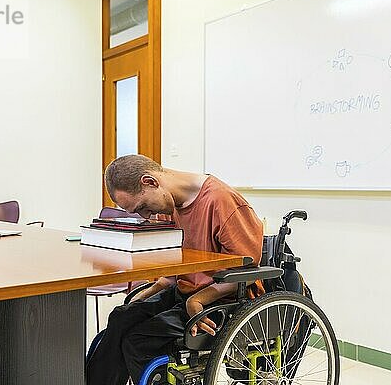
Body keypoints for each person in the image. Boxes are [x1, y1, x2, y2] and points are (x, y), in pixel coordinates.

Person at [86, 154, 263, 385]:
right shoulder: (166, 207)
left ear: (150, 182)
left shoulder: (221, 201)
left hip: (224, 299)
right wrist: (143, 296)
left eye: (142, 207)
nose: (145, 216)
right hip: (184, 293)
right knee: (121, 317)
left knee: (137, 340)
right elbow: (171, 274)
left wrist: (196, 300)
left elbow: (247, 271)